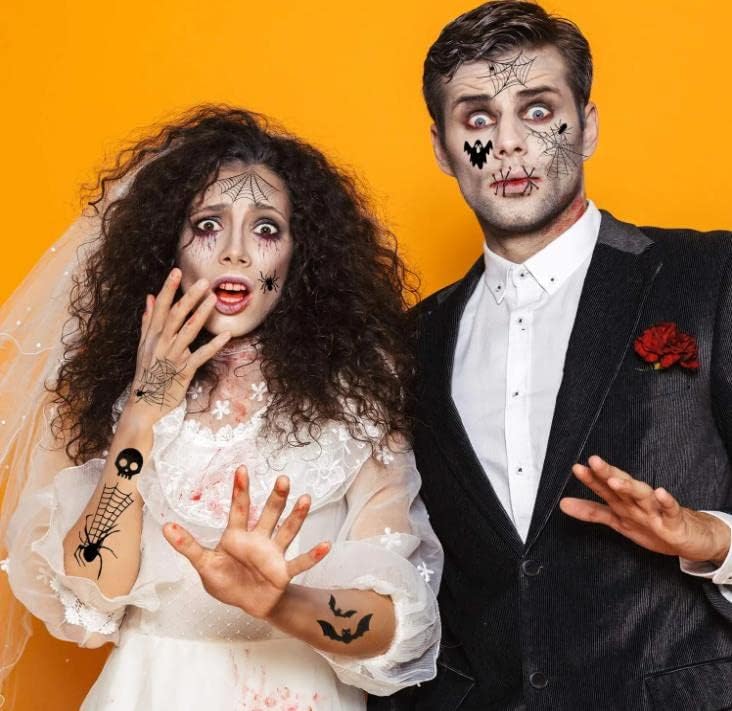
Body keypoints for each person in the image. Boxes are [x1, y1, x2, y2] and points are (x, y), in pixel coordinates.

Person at [0, 105, 442, 710]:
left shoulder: (359, 398)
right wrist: (141, 414)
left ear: (299, 256)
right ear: (169, 247)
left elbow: (394, 629)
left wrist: (277, 603)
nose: (235, 253)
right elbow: (90, 598)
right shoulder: (101, 392)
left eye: (266, 230)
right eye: (208, 225)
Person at [370, 2, 732, 709]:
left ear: (587, 126)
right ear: (443, 148)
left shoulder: (709, 278)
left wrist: (714, 539)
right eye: (477, 119)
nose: (507, 144)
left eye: (537, 112)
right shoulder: (408, 342)